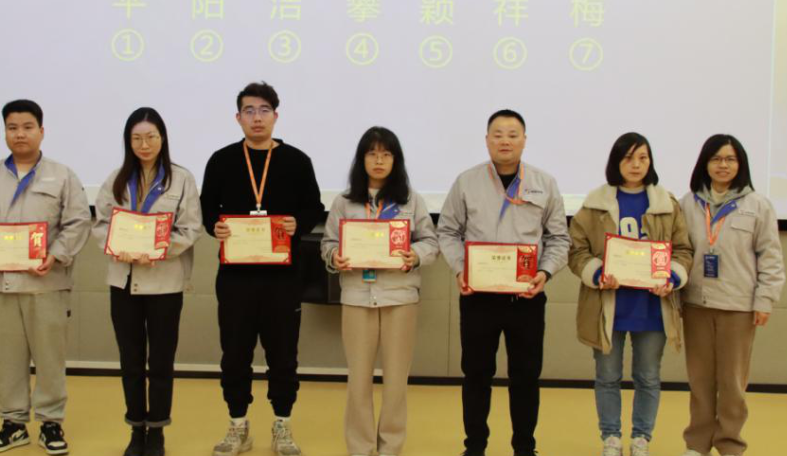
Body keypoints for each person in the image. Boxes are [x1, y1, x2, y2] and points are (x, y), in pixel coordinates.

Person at [0, 99, 91, 455]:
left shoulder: (62, 175)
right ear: (5, 132)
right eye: (12, 128)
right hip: (0, 284)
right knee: (5, 358)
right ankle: (13, 423)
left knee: (50, 358)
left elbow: (78, 221)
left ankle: (51, 422)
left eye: (27, 127)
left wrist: (56, 254)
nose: (20, 134)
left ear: (41, 131)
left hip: (46, 283)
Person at [436, 109, 571, 456]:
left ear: (524, 140)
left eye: (513, 134)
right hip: (478, 297)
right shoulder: (467, 182)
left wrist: (545, 272)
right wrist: (460, 270)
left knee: (525, 377)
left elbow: (559, 238)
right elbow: (447, 231)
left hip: (526, 298)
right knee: (476, 375)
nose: (505, 141)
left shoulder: (544, 183)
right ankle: (475, 447)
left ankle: (524, 447)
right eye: (497, 134)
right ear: (487, 140)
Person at [200, 82, 324, 456]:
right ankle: (238, 425)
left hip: (282, 279)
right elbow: (207, 208)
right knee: (234, 354)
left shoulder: (297, 160)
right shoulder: (221, 160)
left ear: (276, 116)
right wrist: (215, 226)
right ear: (238, 117)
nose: (257, 117)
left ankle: (282, 424)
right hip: (235, 278)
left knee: (283, 355)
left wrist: (298, 224)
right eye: (250, 111)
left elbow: (314, 207)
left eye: (264, 110)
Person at [567, 132, 694, 456]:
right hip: (608, 306)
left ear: (650, 162)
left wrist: (671, 277)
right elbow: (576, 250)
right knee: (607, 376)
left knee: (648, 377)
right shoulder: (594, 204)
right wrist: (597, 273)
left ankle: (641, 439)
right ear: (616, 162)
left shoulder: (666, 204)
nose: (636, 165)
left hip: (652, 306)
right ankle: (611, 438)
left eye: (642, 158)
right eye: (628, 158)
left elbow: (683, 250)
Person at [320, 126, 438, 456]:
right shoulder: (344, 202)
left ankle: (390, 448)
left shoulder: (411, 200)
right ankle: (360, 448)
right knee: (358, 380)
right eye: (372, 154)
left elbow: (430, 242)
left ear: (396, 160)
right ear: (361, 160)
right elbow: (328, 243)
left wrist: (415, 255)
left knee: (396, 381)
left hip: (400, 298)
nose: (379, 160)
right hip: (357, 297)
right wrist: (334, 256)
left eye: (386, 154)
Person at [93, 107, 203, 456]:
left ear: (162, 138)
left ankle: (156, 431)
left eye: (151, 137)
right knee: (130, 360)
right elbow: (100, 224)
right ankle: (135, 429)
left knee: (160, 362)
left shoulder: (181, 179)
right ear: (128, 141)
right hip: (123, 281)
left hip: (165, 283)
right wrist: (118, 247)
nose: (144, 144)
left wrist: (159, 249)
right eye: (137, 138)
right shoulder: (116, 179)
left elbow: (191, 228)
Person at [677, 135, 784, 456]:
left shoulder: (758, 205)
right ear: (705, 164)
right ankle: (697, 443)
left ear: (741, 164)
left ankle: (730, 443)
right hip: (696, 305)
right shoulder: (688, 203)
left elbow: (771, 258)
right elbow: (678, 251)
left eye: (730, 159)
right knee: (700, 380)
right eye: (716, 159)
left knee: (733, 382)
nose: (723, 165)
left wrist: (765, 300)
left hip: (739, 307)